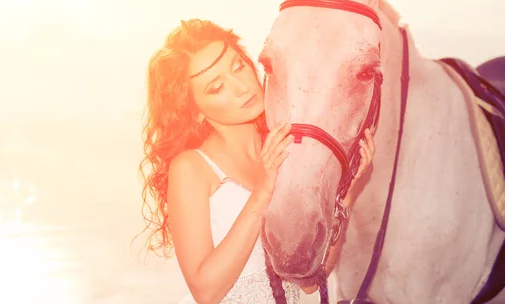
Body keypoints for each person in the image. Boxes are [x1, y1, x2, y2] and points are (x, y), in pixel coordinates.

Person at [137, 19, 375, 303]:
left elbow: (311, 282)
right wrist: (263, 191)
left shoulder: (284, 152)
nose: (241, 87)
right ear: (195, 111)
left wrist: (346, 197)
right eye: (216, 87)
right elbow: (205, 291)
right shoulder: (192, 168)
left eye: (238, 67)